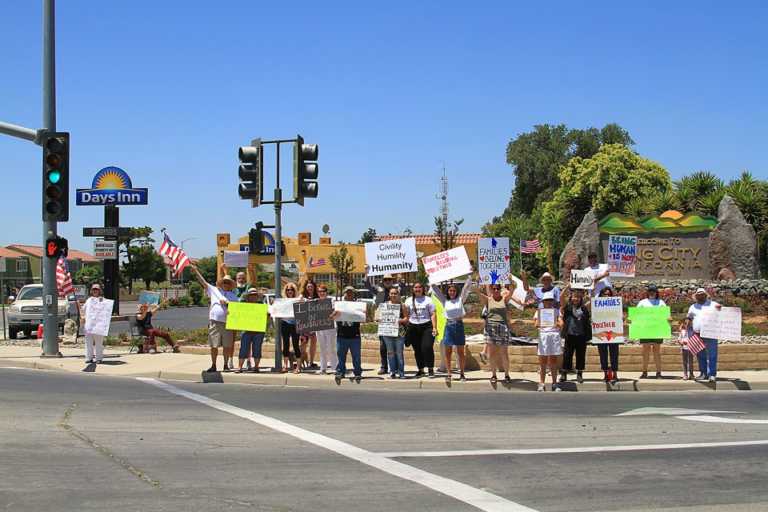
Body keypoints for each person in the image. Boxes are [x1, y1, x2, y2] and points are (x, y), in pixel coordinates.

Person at [191, 265, 238, 373]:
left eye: (228, 283)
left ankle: (226, 365)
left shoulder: (233, 297)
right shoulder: (214, 290)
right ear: (221, 283)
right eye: (224, 282)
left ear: (230, 285)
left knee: (227, 346)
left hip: (227, 323)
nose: (225, 284)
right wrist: (196, 271)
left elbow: (236, 310)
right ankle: (213, 365)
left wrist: (227, 304)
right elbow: (203, 282)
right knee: (214, 345)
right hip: (215, 321)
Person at [475, 282, 522, 383]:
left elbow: (512, 291)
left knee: (504, 353)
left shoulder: (504, 299)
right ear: (491, 290)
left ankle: (507, 375)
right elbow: (477, 292)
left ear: (500, 289)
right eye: (494, 288)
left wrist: (510, 281)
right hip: (491, 328)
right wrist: (479, 281)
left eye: (497, 289)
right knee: (492, 354)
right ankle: (493, 375)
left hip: (502, 327)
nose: (496, 290)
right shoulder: (488, 300)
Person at [430, 280, 473, 381]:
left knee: (460, 352)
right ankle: (449, 373)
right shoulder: (445, 301)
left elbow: (466, 288)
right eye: (450, 290)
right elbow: (436, 290)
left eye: (453, 290)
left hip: (459, 326)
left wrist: (470, 277)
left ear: (456, 292)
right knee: (448, 352)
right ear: (448, 292)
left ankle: (462, 374)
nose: (452, 292)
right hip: (449, 326)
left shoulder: (460, 300)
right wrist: (431, 279)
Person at [683, 288, 722, 382]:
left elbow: (723, 313)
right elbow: (689, 318)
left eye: (702, 294)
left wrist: (721, 309)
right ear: (696, 296)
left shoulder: (713, 304)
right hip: (697, 334)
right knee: (700, 355)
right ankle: (703, 373)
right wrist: (686, 327)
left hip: (711, 333)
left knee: (712, 354)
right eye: (698, 295)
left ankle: (712, 374)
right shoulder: (693, 307)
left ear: (705, 295)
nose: (700, 296)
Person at [365, 267, 398, 376]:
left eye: (389, 280)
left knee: (395, 346)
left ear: (392, 281)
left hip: (394, 322)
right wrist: (367, 272)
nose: (387, 281)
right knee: (383, 346)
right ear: (383, 281)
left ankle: (396, 367)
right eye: (386, 280)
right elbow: (367, 285)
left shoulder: (396, 291)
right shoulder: (379, 291)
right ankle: (384, 366)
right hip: (383, 323)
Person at [636, 284, 669, 379]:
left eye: (653, 291)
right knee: (645, 352)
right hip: (645, 330)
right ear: (647, 292)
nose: (652, 292)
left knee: (656, 352)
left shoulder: (661, 302)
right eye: (650, 291)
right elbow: (637, 315)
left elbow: (666, 315)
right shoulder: (642, 302)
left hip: (657, 330)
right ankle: (644, 372)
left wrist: (668, 318)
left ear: (656, 292)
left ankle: (658, 372)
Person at [405, 282, 437, 377]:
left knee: (427, 347)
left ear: (423, 289)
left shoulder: (428, 300)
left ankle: (430, 369)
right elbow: (406, 314)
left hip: (426, 326)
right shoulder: (408, 300)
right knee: (417, 349)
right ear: (413, 289)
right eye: (415, 287)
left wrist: (435, 327)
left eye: (419, 287)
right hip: (413, 327)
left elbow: (433, 314)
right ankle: (421, 370)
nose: (417, 289)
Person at [333, 286, 364, 384]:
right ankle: (340, 372)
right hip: (341, 335)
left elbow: (365, 318)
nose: (349, 294)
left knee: (356, 356)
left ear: (354, 294)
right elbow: (331, 317)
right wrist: (334, 314)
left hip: (355, 335)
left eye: (351, 293)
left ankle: (357, 372)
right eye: (347, 292)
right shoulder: (338, 305)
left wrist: (364, 314)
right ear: (344, 294)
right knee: (341, 355)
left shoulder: (358, 306)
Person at [559, 286, 591, 383]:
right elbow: (561, 297)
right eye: (574, 297)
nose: (575, 299)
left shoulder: (584, 308)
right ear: (571, 298)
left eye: (577, 297)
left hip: (581, 335)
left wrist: (590, 290)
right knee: (567, 355)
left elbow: (592, 301)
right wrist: (567, 287)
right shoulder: (567, 308)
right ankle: (564, 374)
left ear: (580, 298)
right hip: (570, 334)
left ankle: (579, 374)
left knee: (581, 355)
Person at [377, 287, 409, 379]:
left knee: (399, 353)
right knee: (390, 353)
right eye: (392, 293)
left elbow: (407, 319)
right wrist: (378, 319)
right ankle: (392, 372)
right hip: (387, 332)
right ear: (389, 295)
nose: (393, 295)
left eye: (395, 293)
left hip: (399, 332)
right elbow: (377, 317)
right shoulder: (384, 305)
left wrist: (400, 320)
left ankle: (401, 372)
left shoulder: (402, 305)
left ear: (398, 294)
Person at [533, 292, 563, 391]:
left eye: (550, 300)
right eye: (546, 300)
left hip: (554, 335)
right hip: (544, 336)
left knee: (553, 361)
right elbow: (536, 324)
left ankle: (554, 383)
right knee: (543, 361)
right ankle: (542, 383)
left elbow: (561, 323)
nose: (548, 302)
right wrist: (542, 323)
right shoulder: (539, 311)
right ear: (543, 302)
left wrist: (556, 323)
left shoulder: (557, 311)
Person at [234, 288, 266, 373]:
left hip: (258, 331)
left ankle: (256, 367)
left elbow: (266, 316)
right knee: (243, 348)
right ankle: (239, 367)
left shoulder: (261, 305)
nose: (253, 297)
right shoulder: (243, 306)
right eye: (251, 295)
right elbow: (236, 315)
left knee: (257, 349)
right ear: (248, 297)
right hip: (246, 330)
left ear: (257, 297)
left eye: (255, 295)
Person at [596, 286, 621, 383]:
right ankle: (605, 373)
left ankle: (615, 374)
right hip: (602, 333)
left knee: (614, 354)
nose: (607, 296)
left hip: (613, 333)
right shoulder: (597, 305)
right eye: (605, 294)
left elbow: (620, 316)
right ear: (601, 295)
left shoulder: (615, 305)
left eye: (609, 294)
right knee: (603, 354)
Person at [81, 283, 106, 364]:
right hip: (89, 325)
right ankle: (89, 358)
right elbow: (83, 310)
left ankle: (99, 358)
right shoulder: (89, 300)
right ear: (91, 291)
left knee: (99, 343)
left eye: (97, 289)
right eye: (94, 289)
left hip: (98, 325)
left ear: (100, 291)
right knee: (88, 343)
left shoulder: (102, 299)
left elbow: (106, 310)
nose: (95, 291)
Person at [298, 277, 320, 371]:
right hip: (305, 323)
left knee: (313, 343)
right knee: (303, 343)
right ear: (306, 288)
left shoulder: (317, 298)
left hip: (315, 323)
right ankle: (301, 361)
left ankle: (311, 362)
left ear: (314, 288)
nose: (310, 288)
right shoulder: (302, 297)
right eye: (308, 287)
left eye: (311, 287)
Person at [315, 284, 338, 374]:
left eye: (323, 291)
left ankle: (334, 367)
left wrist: (332, 315)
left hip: (330, 327)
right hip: (320, 327)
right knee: (322, 348)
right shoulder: (315, 301)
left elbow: (336, 310)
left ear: (326, 292)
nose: (321, 293)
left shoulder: (332, 300)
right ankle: (323, 368)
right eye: (319, 291)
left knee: (331, 347)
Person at [279, 282, 301, 373]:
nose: (289, 291)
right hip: (285, 323)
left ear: (294, 290)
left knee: (296, 345)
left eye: (291, 289)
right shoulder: (282, 301)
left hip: (295, 324)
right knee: (286, 344)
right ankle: (285, 365)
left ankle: (298, 367)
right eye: (288, 290)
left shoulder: (297, 300)